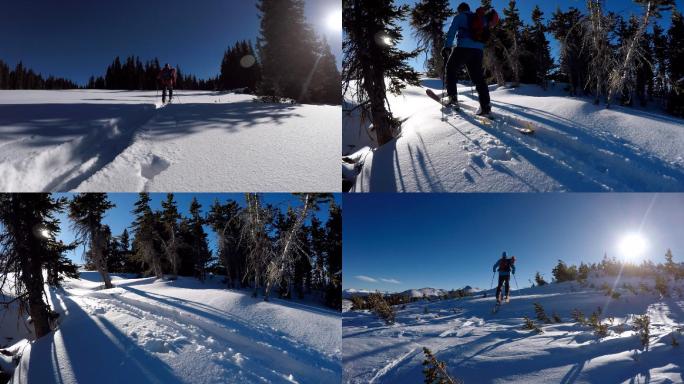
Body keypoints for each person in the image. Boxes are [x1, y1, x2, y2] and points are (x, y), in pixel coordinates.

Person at [442, 2, 496, 116]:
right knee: (479, 78)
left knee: (450, 69)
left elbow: (451, 32)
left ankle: (452, 98)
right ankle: (485, 106)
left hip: (463, 48)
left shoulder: (459, 16)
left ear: (460, 9)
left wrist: (447, 47)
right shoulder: (479, 18)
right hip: (478, 51)